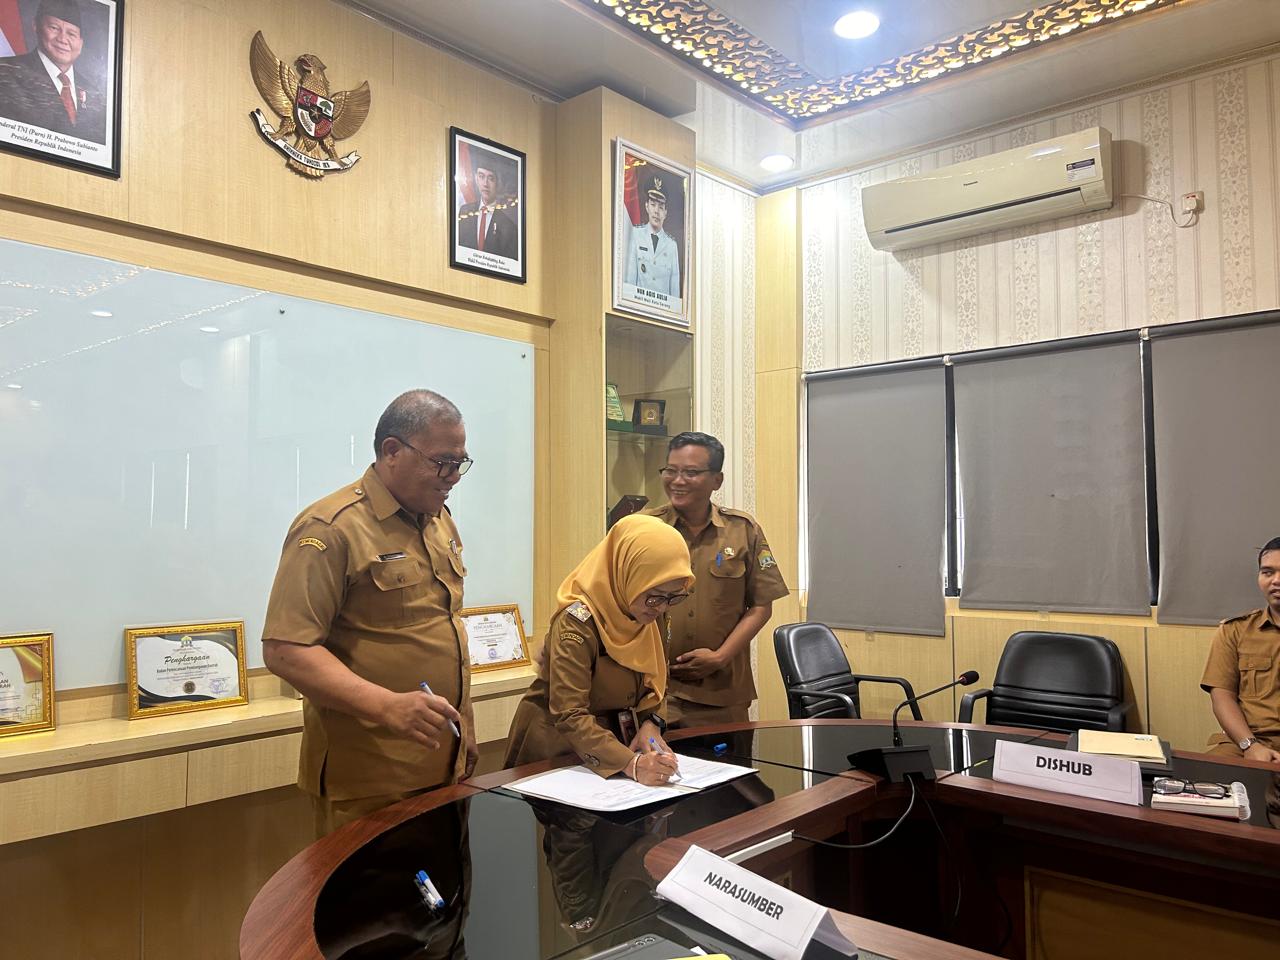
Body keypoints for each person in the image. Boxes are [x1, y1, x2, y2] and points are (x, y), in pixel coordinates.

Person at [262, 389, 478, 836]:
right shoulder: (331, 528)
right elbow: (286, 649)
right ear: (392, 451)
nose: (454, 477)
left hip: (443, 766)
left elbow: (446, 628)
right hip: (370, 778)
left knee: (444, 881)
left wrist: (466, 727)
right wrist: (387, 706)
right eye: (442, 462)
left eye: (460, 463)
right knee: (373, 884)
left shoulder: (439, 520)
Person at [504, 514, 693, 784]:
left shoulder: (651, 615)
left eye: (673, 597)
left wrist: (652, 723)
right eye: (655, 596)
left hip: (615, 749)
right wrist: (631, 764)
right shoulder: (577, 621)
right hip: (558, 752)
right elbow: (570, 714)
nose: (662, 607)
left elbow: (657, 681)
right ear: (626, 575)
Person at [646, 432, 788, 728]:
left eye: (691, 472)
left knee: (733, 759)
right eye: (671, 470)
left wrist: (720, 657)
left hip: (722, 694)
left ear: (717, 480)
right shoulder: (643, 529)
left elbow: (761, 606)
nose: (678, 480)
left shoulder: (743, 530)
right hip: (653, 691)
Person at [1200, 536, 1280, 826]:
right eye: (1267, 572)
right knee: (1200, 793)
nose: (1276, 580)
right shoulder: (1235, 631)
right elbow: (1222, 696)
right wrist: (1250, 745)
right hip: (1246, 741)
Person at [0, 0, 106, 144]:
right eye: (54, 28)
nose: (63, 39)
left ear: (81, 43)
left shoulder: (95, 95)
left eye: (72, 34)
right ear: (36, 26)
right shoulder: (5, 72)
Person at [623, 174, 680, 298]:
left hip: (663, 308)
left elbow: (675, 291)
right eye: (653, 205)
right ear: (646, 206)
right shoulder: (636, 235)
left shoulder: (671, 246)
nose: (656, 211)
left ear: (665, 213)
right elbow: (630, 281)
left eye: (661, 207)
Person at [456, 158, 518, 260]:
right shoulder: (465, 211)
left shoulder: (509, 226)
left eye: (491, 178)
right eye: (481, 176)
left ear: (498, 183)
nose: (485, 184)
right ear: (476, 179)